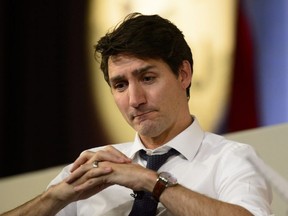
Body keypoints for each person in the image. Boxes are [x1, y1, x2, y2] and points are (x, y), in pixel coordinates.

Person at [0, 13, 272, 216]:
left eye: (148, 77)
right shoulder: (91, 171)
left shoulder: (233, 159)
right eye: (120, 85)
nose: (135, 100)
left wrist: (150, 181)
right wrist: (55, 197)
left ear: (183, 74)